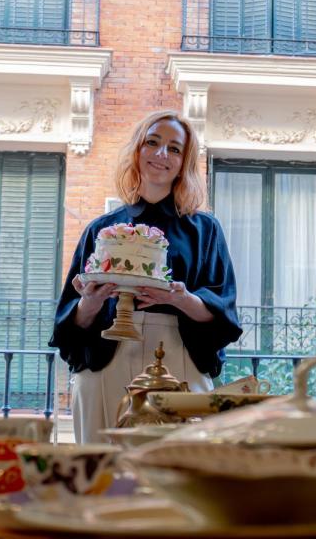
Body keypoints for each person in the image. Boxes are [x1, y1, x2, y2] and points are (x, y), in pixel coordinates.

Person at [49, 110, 243, 443]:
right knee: (103, 476)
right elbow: (71, 322)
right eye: (152, 142)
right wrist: (91, 302)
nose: (161, 154)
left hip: (178, 355)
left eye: (174, 148)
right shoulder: (101, 229)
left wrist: (179, 299)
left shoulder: (205, 230)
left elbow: (222, 313)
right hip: (104, 356)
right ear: (137, 150)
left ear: (184, 162)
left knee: (179, 476)